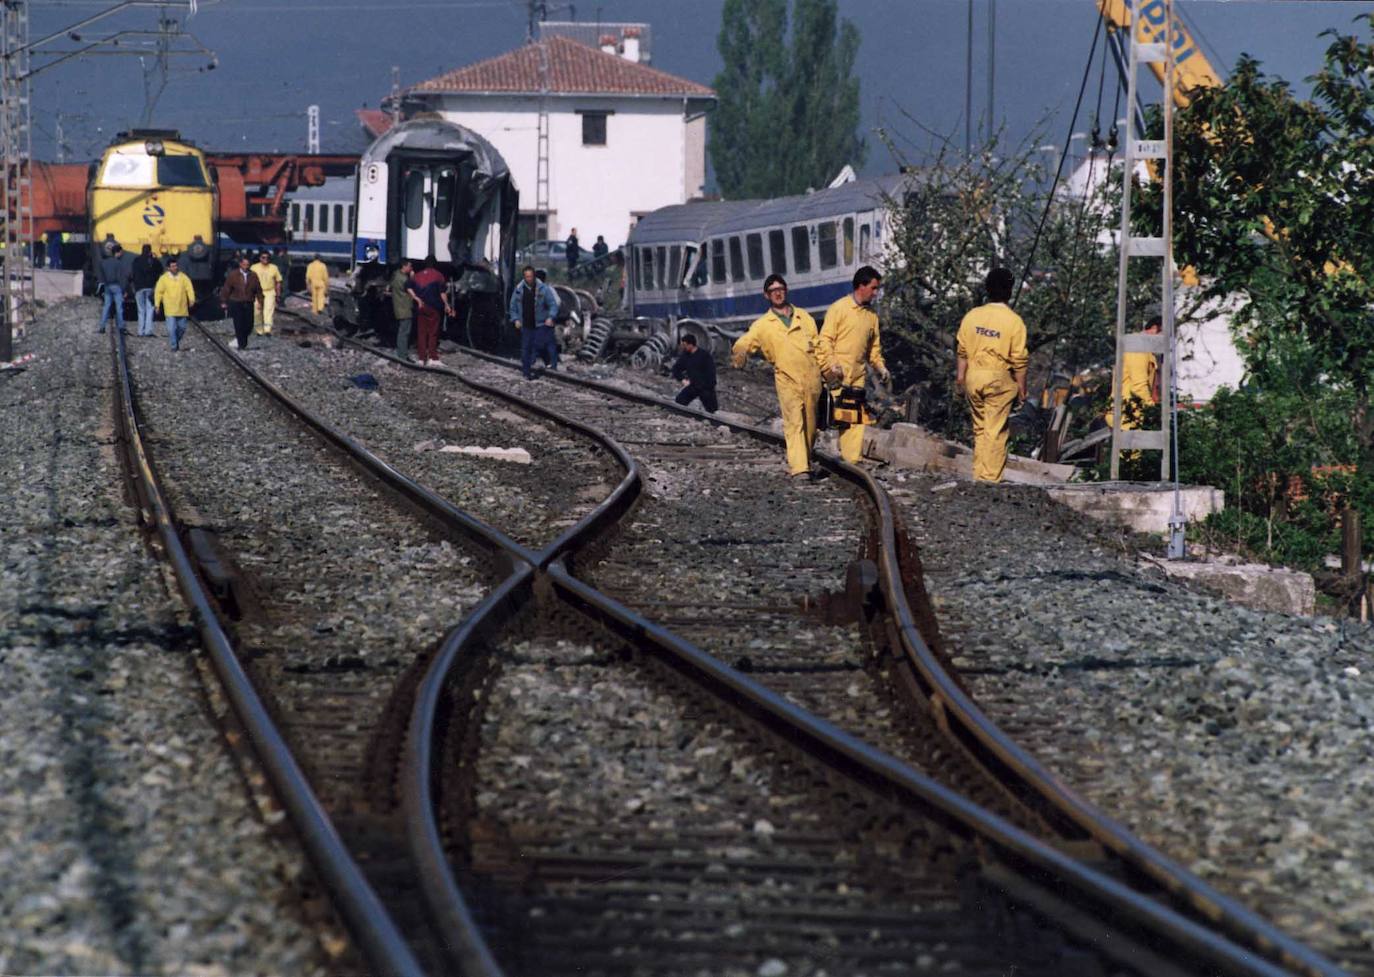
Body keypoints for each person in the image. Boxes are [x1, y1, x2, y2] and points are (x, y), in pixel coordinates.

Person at [731, 274, 825, 480]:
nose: (778, 293)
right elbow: (744, 343)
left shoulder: (804, 317)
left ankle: (804, 460)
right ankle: (799, 469)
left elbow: (819, 347)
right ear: (767, 295)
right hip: (787, 378)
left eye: (781, 288)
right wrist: (739, 359)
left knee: (810, 426)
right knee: (794, 423)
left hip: (812, 379)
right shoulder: (763, 325)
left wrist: (828, 369)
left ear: (786, 290)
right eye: (773, 290)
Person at [956, 267, 1029, 483]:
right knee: (995, 431)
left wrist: (961, 378)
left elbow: (962, 350)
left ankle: (979, 475)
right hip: (998, 379)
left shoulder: (972, 316)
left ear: (987, 289)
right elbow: (1019, 360)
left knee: (980, 428)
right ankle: (990, 481)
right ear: (1009, 291)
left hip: (973, 377)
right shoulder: (1014, 321)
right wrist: (1022, 388)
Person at [817, 265, 890, 464]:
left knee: (854, 421)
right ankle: (806, 455)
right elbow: (825, 340)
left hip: (856, 377)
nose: (876, 293)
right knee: (827, 418)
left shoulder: (871, 317)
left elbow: (873, 350)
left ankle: (852, 462)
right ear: (861, 286)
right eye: (873, 288)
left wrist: (881, 367)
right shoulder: (839, 309)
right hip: (836, 375)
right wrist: (832, 364)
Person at [1108, 314, 1162, 430]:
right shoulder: (1138, 347)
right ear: (1154, 329)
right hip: (1128, 415)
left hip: (1131, 414)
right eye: (1163, 336)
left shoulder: (1144, 349)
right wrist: (1152, 409)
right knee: (1131, 448)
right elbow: (1139, 385)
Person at [508, 264, 560, 379]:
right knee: (526, 348)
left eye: (530, 276)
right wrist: (515, 319)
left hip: (540, 323)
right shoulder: (518, 290)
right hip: (525, 323)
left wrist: (551, 317)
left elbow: (553, 304)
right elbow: (512, 307)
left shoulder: (543, 289)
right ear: (524, 277)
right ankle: (526, 373)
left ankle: (551, 365)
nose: (529, 279)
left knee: (539, 345)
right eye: (526, 277)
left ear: (534, 276)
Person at [411, 257, 454, 366]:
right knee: (433, 333)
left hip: (420, 307)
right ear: (435, 264)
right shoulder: (438, 275)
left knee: (421, 333)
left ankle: (421, 359)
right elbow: (442, 293)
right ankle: (432, 358)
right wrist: (447, 305)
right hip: (433, 307)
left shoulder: (417, 275)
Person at [219, 254, 263, 351]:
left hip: (248, 301)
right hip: (236, 301)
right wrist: (223, 301)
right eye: (244, 265)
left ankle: (243, 339)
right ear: (240, 264)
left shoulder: (253, 275)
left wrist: (260, 301)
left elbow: (258, 290)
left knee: (249, 324)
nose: (246, 267)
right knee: (238, 323)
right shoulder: (233, 275)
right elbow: (226, 289)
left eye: (248, 265)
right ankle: (241, 344)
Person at [154, 257, 197, 352]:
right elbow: (158, 292)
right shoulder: (163, 279)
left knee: (182, 328)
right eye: (172, 266)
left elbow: (189, 288)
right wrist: (157, 304)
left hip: (182, 307)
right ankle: (174, 346)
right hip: (169, 308)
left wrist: (191, 299)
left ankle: (176, 341)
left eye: (176, 266)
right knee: (171, 329)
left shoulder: (183, 277)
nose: (175, 268)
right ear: (168, 268)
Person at [671, 333, 717, 413]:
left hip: (706, 387)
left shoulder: (705, 356)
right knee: (679, 401)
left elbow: (711, 373)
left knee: (712, 410)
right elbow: (676, 369)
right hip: (693, 386)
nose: (683, 347)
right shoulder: (685, 356)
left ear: (691, 345)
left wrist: (708, 386)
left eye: (685, 345)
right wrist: (682, 380)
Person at [97, 244, 129, 334]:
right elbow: (121, 278)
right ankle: (121, 327)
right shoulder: (118, 263)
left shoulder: (104, 262)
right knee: (119, 307)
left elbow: (101, 276)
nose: (121, 254)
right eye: (121, 252)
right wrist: (124, 290)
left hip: (107, 286)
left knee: (106, 306)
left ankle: (102, 327)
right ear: (117, 253)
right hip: (116, 286)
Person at [131, 244, 163, 337]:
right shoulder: (153, 261)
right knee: (150, 309)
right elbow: (160, 270)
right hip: (150, 288)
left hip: (139, 288)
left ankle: (140, 331)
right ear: (150, 251)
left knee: (141, 310)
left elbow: (133, 273)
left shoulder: (136, 260)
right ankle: (148, 331)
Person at [390, 259, 417, 360]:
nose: (411, 268)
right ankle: (402, 354)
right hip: (405, 308)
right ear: (404, 267)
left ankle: (401, 352)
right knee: (404, 332)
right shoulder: (405, 280)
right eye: (410, 266)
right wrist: (412, 278)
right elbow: (412, 288)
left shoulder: (396, 275)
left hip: (399, 307)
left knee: (402, 331)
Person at [251, 250, 283, 335]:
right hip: (257, 292)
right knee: (257, 311)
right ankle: (259, 330)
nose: (266, 259)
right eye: (263, 257)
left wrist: (278, 294)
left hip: (269, 291)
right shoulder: (254, 267)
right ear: (260, 258)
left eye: (267, 257)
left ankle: (267, 329)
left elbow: (278, 281)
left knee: (268, 310)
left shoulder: (274, 268)